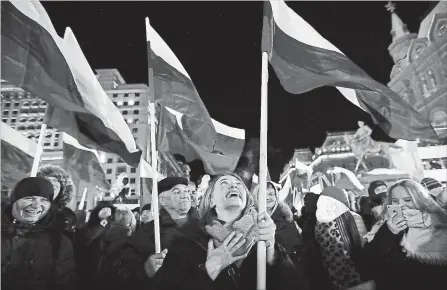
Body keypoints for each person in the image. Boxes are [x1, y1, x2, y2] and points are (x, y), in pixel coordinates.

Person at [153, 172, 308, 290]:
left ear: (247, 198)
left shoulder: (264, 236)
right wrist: (208, 271)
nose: (233, 186)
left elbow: (297, 284)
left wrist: (272, 254)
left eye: (238, 184)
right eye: (224, 183)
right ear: (211, 199)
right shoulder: (188, 241)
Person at [363, 179, 447, 290]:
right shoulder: (385, 225)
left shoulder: (440, 222)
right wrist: (388, 232)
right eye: (395, 201)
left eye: (407, 200)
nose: (401, 205)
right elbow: (368, 262)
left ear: (420, 199)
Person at [1, 177, 77, 290]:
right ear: (14, 200)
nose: (36, 205)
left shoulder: (59, 242)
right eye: (29, 198)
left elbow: (63, 283)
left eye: (44, 200)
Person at [132, 177, 200, 279]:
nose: (185, 195)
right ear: (162, 201)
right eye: (177, 192)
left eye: (186, 191)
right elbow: (134, 273)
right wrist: (146, 269)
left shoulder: (206, 225)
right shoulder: (149, 231)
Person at [314, 187, 369, 290]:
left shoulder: (319, 222)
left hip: (340, 272)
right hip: (347, 271)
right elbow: (363, 243)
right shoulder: (352, 216)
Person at [253, 181, 303, 253]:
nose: (267, 197)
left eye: (271, 194)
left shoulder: (286, 217)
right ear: (256, 197)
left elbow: (296, 243)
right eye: (263, 195)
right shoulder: (251, 219)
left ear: (276, 196)